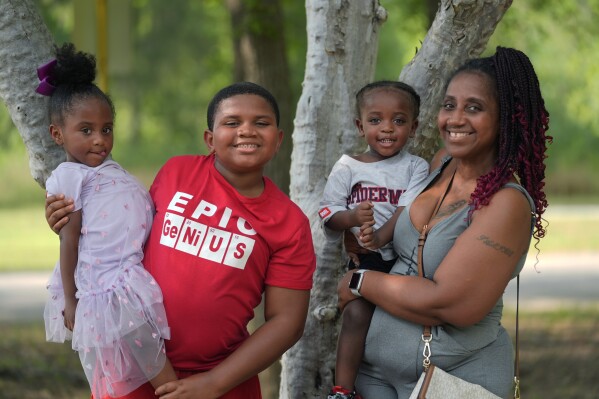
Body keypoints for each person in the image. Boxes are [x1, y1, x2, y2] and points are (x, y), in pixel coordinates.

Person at [45, 81, 316, 399]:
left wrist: (214, 383)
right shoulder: (177, 173)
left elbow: (287, 321)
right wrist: (65, 220)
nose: (247, 131)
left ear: (279, 138)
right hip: (133, 362)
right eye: (232, 122)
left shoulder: (289, 223)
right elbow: (122, 229)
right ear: (210, 139)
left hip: (223, 378)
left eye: (261, 123)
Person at [337, 46, 552, 398]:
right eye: (449, 105)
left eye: (474, 108)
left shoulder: (506, 203)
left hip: (451, 381)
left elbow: (449, 303)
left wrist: (359, 281)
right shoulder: (442, 164)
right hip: (375, 377)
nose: (455, 119)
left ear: (506, 119)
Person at [39, 43, 177, 399]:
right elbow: (69, 242)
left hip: (127, 275)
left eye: (107, 128)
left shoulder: (105, 169)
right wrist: (72, 301)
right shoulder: (69, 177)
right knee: (148, 367)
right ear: (58, 135)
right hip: (107, 285)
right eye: (86, 130)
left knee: (147, 360)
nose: (100, 139)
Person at [318, 81, 429, 399]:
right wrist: (353, 219)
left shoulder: (415, 167)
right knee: (356, 314)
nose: (387, 129)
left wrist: (380, 235)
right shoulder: (347, 167)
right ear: (360, 125)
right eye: (376, 120)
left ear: (414, 126)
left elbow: (407, 209)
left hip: (404, 258)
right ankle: (342, 391)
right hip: (365, 259)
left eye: (399, 120)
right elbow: (328, 212)